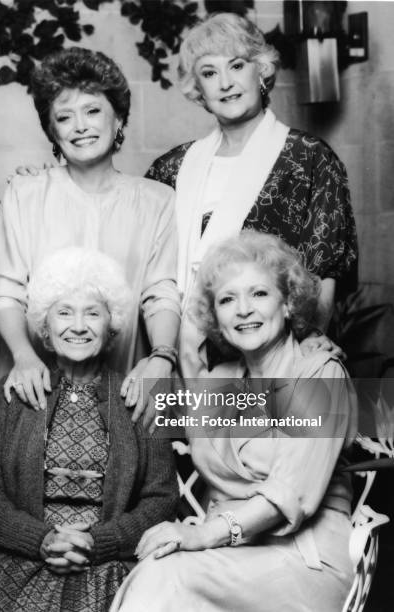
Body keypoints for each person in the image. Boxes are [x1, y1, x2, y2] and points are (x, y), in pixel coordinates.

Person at [110, 231, 357, 612]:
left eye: (258, 294)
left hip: (301, 559)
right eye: (227, 299)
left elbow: (287, 494)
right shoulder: (216, 381)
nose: (243, 309)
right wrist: (152, 360)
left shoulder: (318, 373)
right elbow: (160, 411)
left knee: (168, 577)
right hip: (230, 552)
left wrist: (202, 536)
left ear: (288, 304)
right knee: (156, 570)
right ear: (216, 318)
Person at [0, 248, 179, 612]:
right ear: (45, 327)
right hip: (20, 560)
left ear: (111, 324)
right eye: (64, 312)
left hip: (110, 566)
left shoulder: (139, 394)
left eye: (93, 313)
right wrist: (42, 539)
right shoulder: (13, 391)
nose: (79, 325)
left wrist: (100, 542)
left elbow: (161, 498)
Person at [145, 13, 358, 379]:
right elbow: (136, 240)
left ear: (260, 71)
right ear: (198, 90)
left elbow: (323, 270)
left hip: (270, 356)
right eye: (209, 73)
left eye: (236, 65)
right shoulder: (172, 167)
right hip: (179, 353)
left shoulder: (308, 157)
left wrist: (312, 338)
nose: (225, 83)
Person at [0, 47, 180, 419]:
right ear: (53, 131)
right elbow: (3, 290)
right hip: (33, 392)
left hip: (124, 395)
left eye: (92, 111)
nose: (81, 126)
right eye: (65, 117)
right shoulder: (25, 194)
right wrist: (24, 358)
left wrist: (162, 358)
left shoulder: (157, 202)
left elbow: (161, 292)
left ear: (118, 118)